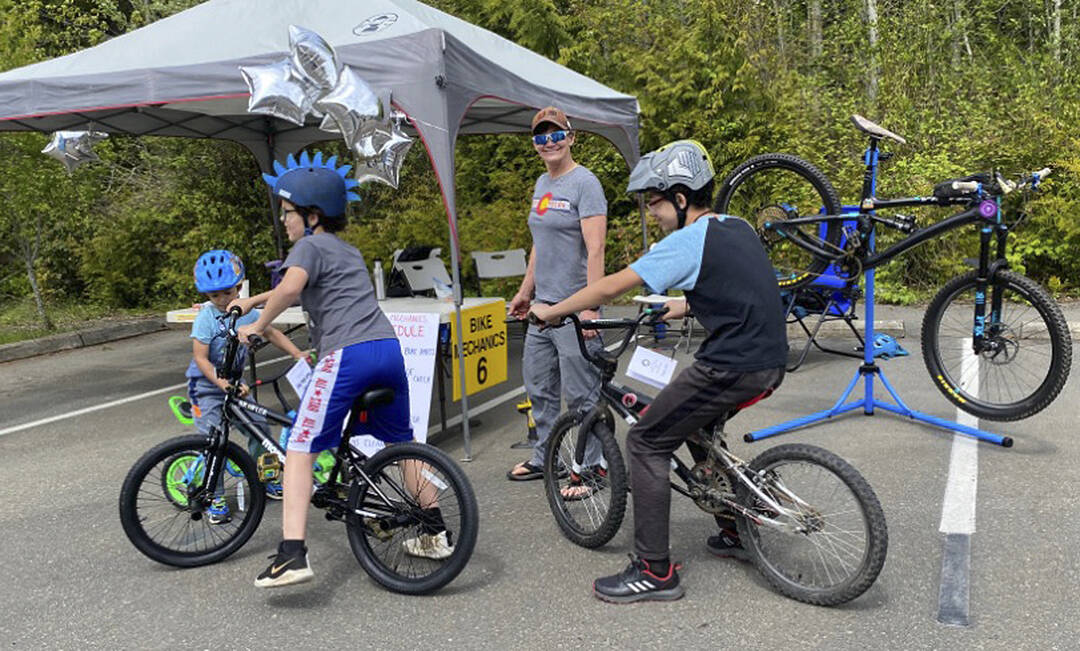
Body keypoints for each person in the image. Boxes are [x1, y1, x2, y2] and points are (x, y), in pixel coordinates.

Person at [529, 140, 787, 603]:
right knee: (693, 427)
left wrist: (553, 311)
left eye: (656, 203)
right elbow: (733, 288)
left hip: (732, 365)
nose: (654, 215)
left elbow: (609, 286)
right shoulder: (737, 227)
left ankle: (654, 570)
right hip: (768, 363)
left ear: (681, 197)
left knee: (646, 439)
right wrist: (678, 306)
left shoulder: (687, 240)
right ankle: (734, 529)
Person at [230, 151, 447, 588]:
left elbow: (291, 287)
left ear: (312, 216)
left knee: (299, 448)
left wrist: (258, 325)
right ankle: (434, 532)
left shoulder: (306, 246)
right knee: (400, 443)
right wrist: (252, 301)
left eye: (289, 213)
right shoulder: (344, 250)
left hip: (347, 355)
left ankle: (292, 555)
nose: (285, 221)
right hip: (387, 350)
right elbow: (297, 285)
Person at [506, 106, 608, 489]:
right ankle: (545, 456)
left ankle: (594, 466)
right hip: (541, 308)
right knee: (539, 388)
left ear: (571, 137)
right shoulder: (541, 184)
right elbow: (539, 244)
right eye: (540, 137)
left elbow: (595, 249)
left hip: (574, 307)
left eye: (555, 135)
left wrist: (591, 308)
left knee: (582, 395)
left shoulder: (586, 183)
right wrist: (524, 291)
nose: (548, 142)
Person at [185, 249, 307, 523]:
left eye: (227, 292)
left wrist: (297, 354)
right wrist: (223, 383)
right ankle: (213, 496)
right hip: (206, 387)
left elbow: (271, 332)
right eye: (214, 295)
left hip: (233, 384)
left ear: (239, 287)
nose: (221, 300)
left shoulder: (248, 313)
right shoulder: (206, 317)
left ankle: (267, 478)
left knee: (259, 427)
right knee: (214, 442)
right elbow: (200, 359)